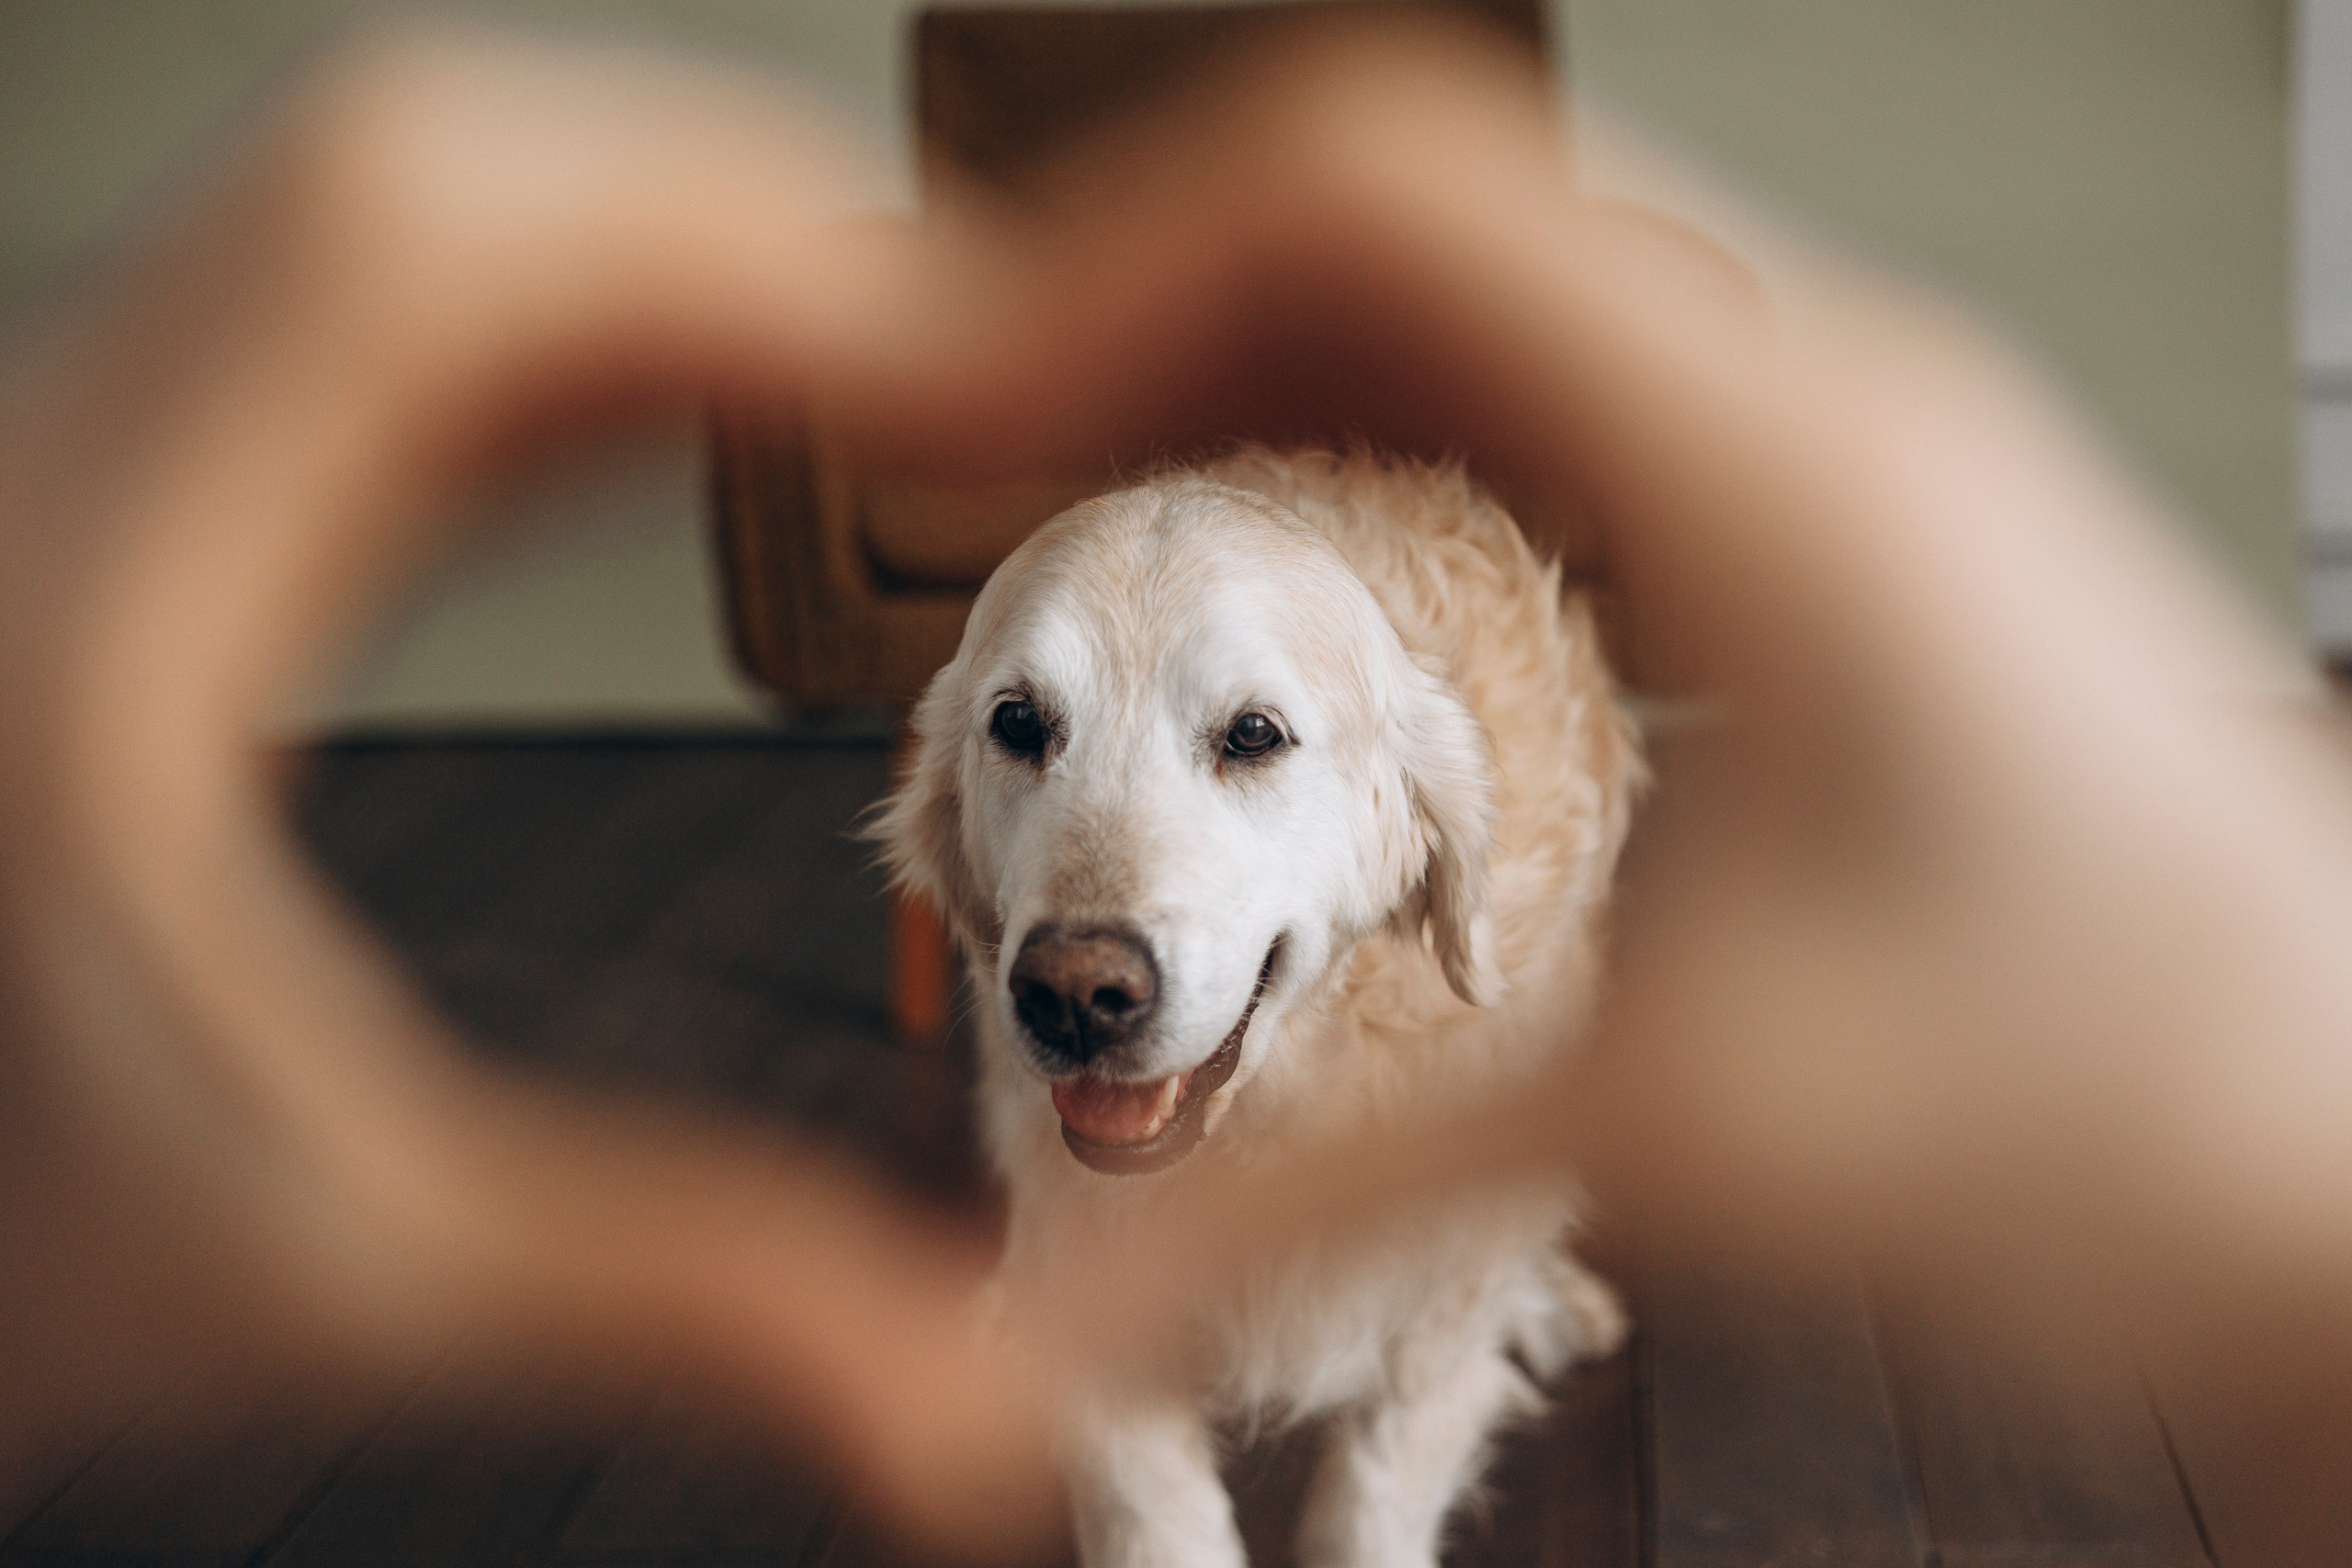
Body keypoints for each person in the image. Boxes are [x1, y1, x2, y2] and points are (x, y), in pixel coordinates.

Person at [1, 16, 2344, 1557]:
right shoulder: (1026, 903)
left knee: (1461, 1295)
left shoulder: (1484, 890)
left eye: (1246, 746)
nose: (1080, 932)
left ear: (1410, 834)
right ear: (950, 825)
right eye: (1023, 744)